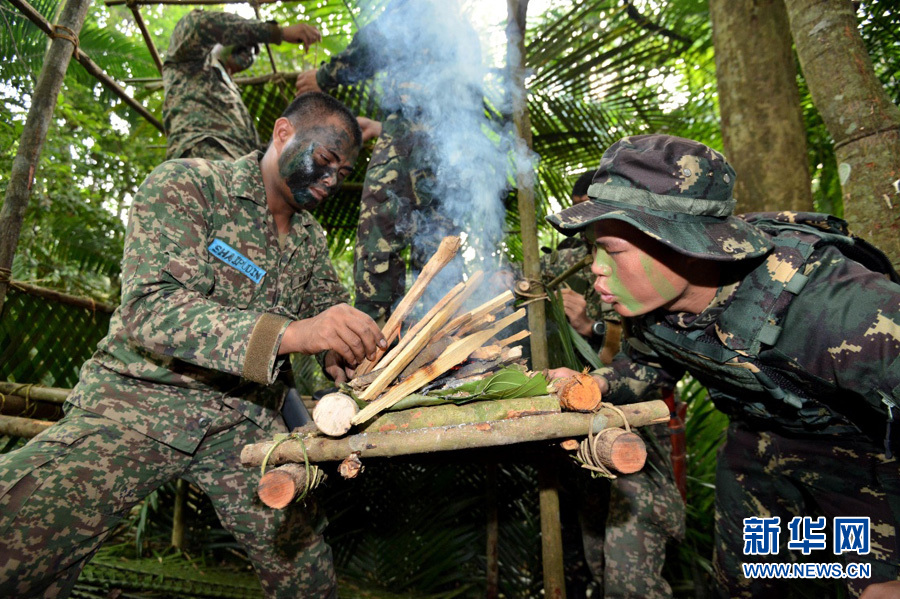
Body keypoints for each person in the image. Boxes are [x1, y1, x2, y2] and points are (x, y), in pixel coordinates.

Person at [0, 92, 384, 599]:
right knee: (19, 542)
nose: (333, 180)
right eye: (326, 161)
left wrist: (345, 349)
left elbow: (329, 320)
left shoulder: (309, 242)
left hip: (245, 427)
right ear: (283, 133)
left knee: (308, 577)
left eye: (342, 171)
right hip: (139, 405)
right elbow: (150, 311)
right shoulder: (190, 185)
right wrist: (293, 334)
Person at [547, 134, 900, 598]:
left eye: (611, 251)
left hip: (860, 457)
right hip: (755, 447)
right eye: (593, 249)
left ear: (686, 244)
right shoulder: (653, 309)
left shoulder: (844, 311)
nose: (594, 269)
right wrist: (588, 384)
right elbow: (648, 370)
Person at [545, 171, 684, 599]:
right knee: (598, 553)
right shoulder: (564, 261)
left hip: (635, 421)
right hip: (587, 419)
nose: (599, 265)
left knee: (632, 568)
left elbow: (645, 357)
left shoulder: (648, 260)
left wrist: (590, 326)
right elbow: (643, 359)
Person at [294, 0, 476, 324]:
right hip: (454, 147)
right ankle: (440, 341)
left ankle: (375, 350)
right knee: (439, 251)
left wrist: (323, 76)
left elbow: (374, 42)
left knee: (379, 245)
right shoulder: (458, 26)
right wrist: (385, 128)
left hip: (411, 139)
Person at [163, 9, 321, 161]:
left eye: (254, 50)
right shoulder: (191, 60)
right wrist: (278, 33)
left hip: (238, 174)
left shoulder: (234, 97)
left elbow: (255, 151)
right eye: (245, 43)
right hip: (200, 164)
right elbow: (200, 24)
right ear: (222, 41)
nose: (250, 50)